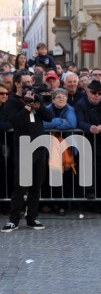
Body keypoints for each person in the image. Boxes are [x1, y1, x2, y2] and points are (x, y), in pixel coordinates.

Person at [2, 71, 53, 232]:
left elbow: (49, 117)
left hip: (39, 145)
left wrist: (37, 105)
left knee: (36, 185)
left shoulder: (36, 98)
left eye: (30, 82)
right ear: (17, 83)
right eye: (25, 82)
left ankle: (32, 218)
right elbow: (15, 122)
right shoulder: (12, 101)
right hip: (24, 146)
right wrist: (26, 106)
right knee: (20, 185)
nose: (28, 85)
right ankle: (13, 220)